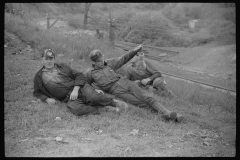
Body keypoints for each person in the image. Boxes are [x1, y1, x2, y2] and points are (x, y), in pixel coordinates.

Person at [85, 45, 184, 122]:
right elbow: (84, 84)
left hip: (125, 82)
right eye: (98, 61)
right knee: (140, 103)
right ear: (93, 62)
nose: (101, 62)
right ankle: (165, 115)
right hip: (115, 90)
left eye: (102, 59)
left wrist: (134, 50)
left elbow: (123, 59)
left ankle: (167, 112)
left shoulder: (109, 63)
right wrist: (95, 89)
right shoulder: (90, 72)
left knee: (146, 97)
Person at [33, 49, 127, 116]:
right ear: (42, 59)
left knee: (94, 97)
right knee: (76, 109)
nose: (48, 61)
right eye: (46, 59)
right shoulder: (39, 76)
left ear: (54, 59)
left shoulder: (62, 67)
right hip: (68, 97)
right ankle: (102, 109)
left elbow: (80, 75)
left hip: (80, 88)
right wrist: (46, 99)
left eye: (51, 59)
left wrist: (76, 89)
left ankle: (114, 102)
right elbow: (37, 92)